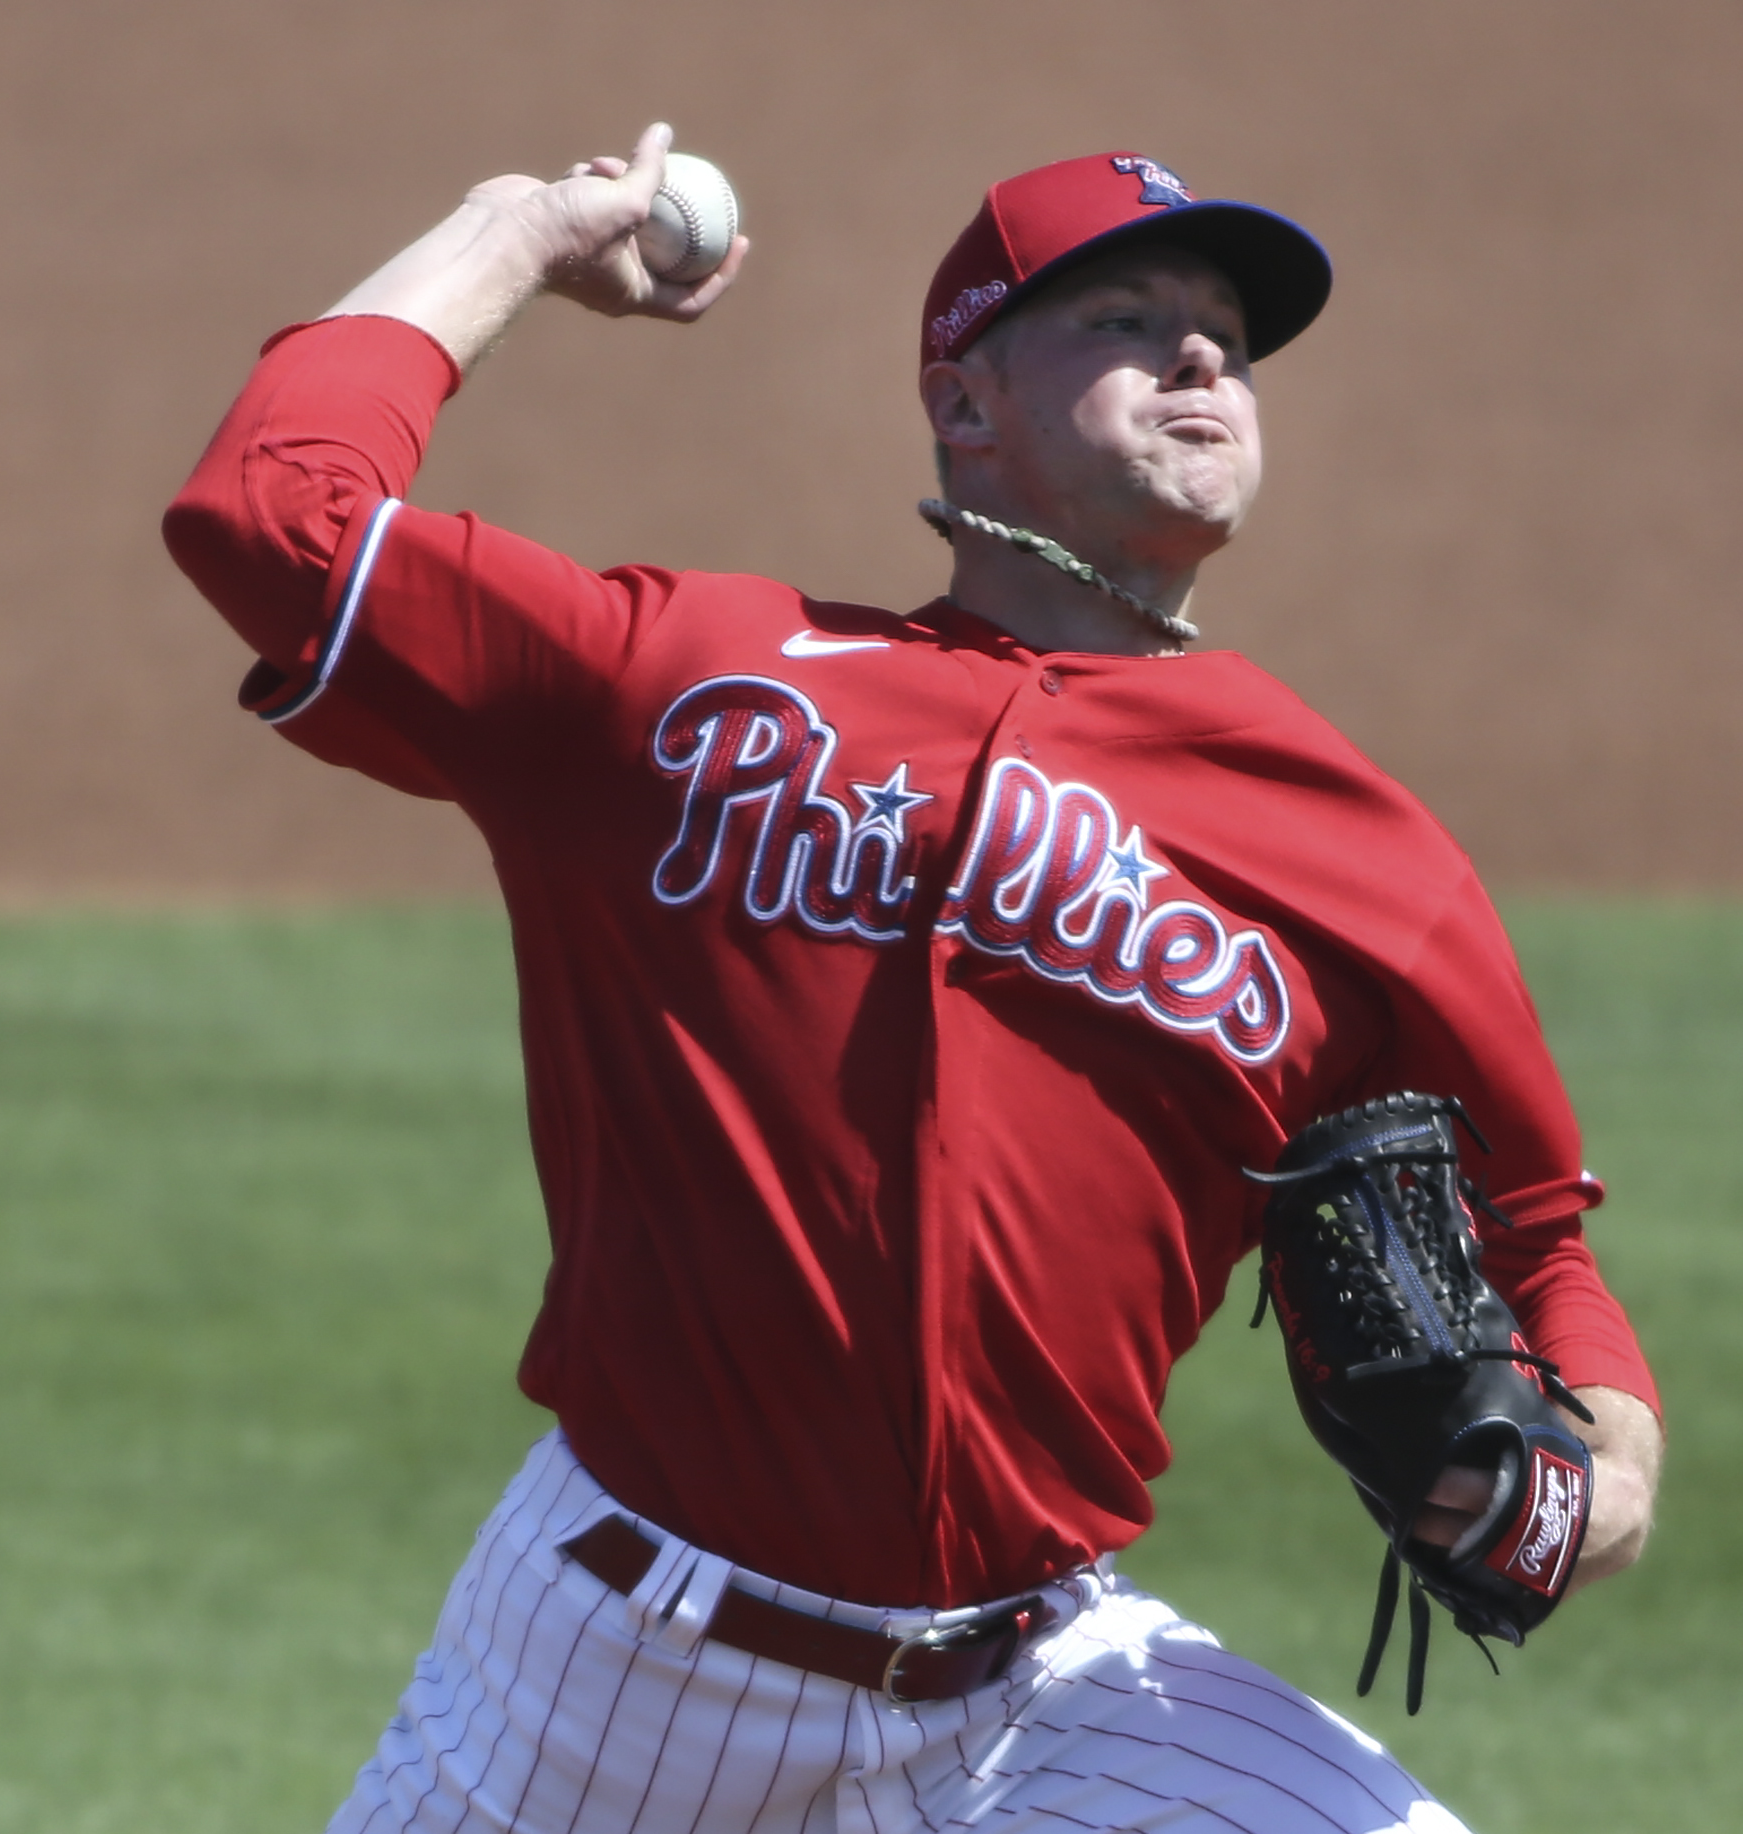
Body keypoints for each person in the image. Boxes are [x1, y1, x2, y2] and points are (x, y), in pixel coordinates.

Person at [165, 123, 1663, 1834]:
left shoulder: (1360, 852)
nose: (1201, 357)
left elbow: (1537, 1237)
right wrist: (513, 230)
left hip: (1048, 1701)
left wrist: (1599, 1478)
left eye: (1228, 344)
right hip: (598, 1685)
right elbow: (269, 511)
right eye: (1127, 318)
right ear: (965, 404)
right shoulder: (686, 681)